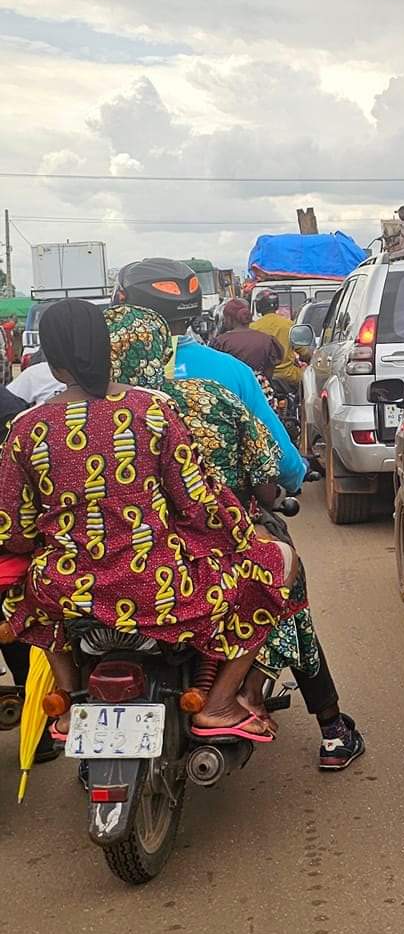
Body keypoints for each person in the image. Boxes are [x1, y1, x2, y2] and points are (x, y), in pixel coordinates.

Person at [0, 300, 297, 739]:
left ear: (50, 356)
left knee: (24, 596)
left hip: (66, 589)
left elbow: (15, 531)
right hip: (160, 586)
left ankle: (67, 699)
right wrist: (239, 533)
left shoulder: (27, 429)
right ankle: (219, 702)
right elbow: (198, 503)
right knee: (280, 563)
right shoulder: (151, 410)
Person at [104, 304, 364, 769]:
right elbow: (273, 472)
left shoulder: (69, 418)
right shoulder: (212, 392)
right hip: (215, 543)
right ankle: (328, 727)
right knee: (286, 586)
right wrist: (273, 488)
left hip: (107, 564)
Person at [111, 261, 305, 494]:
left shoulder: (101, 375)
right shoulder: (234, 371)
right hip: (223, 514)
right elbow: (280, 459)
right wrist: (296, 475)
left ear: (123, 305)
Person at [248, 295, 303, 421]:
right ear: (277, 306)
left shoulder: (252, 327)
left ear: (259, 307)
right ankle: (301, 417)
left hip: (263, 379)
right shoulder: (288, 324)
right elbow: (302, 350)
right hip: (288, 376)